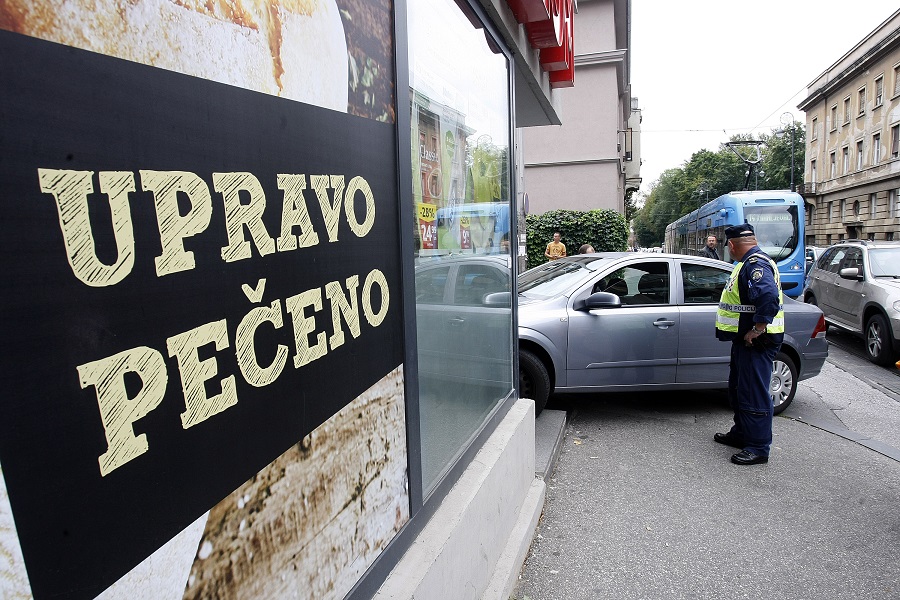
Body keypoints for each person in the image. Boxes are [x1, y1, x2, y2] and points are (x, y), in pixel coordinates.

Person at [713, 223, 784, 466]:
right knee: (739, 389)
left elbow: (768, 297)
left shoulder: (756, 264)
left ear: (732, 245)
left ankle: (758, 447)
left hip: (758, 341)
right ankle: (742, 434)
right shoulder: (748, 263)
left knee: (754, 393)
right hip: (745, 341)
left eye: (728, 247)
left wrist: (757, 329)